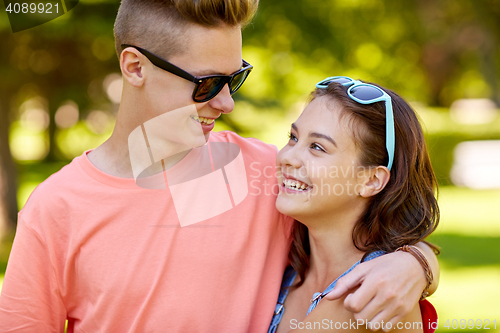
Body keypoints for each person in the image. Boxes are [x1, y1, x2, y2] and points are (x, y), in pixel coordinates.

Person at [0, 1, 439, 332]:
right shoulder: (55, 209)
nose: (226, 102)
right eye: (207, 84)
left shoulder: (269, 174)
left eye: (235, 79)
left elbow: (370, 213)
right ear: (135, 67)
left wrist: (414, 263)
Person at [268, 77, 440, 332]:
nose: (286, 156)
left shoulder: (372, 298)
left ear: (371, 180)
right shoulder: (289, 269)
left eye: (317, 147)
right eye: (293, 137)